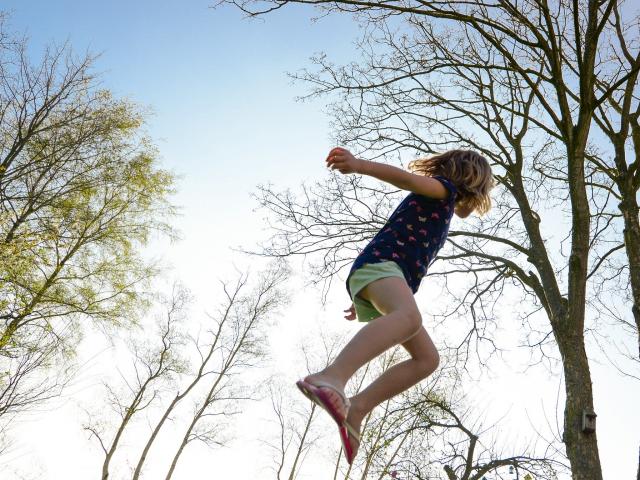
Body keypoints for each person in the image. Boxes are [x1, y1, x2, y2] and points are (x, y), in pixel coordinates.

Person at [296, 146, 495, 464]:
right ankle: (332, 376)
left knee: (427, 359)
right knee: (408, 317)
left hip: (384, 275)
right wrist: (359, 165)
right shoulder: (444, 189)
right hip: (382, 267)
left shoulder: (443, 203)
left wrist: (366, 297)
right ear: (471, 181)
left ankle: (357, 409)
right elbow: (404, 178)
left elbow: (462, 211)